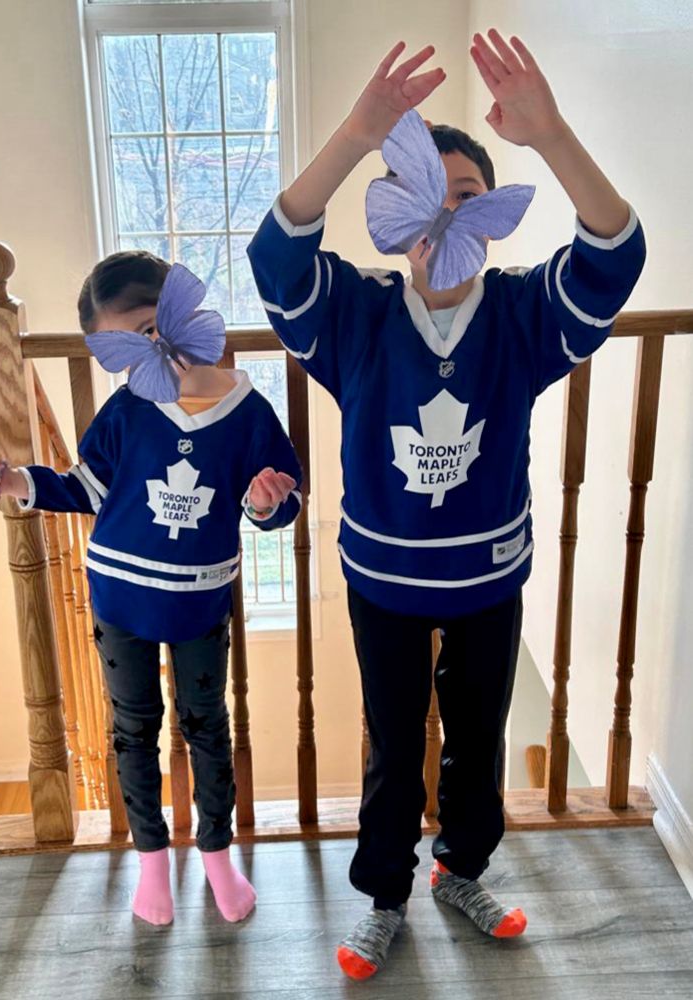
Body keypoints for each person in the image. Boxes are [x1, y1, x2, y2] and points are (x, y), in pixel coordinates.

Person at [247, 29, 645, 978]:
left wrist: (550, 136)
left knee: (476, 736)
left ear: (495, 214)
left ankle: (460, 870)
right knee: (394, 743)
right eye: (423, 195)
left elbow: (611, 259)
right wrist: (355, 135)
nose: (443, 216)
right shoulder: (356, 314)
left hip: (488, 578)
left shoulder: (520, 313)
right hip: (380, 578)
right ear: (392, 210)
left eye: (464, 196)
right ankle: (383, 894)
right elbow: (275, 262)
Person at [0, 250, 302, 927]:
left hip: (201, 598)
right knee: (134, 732)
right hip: (119, 595)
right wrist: (11, 480)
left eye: (152, 325)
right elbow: (87, 487)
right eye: (126, 342)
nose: (151, 348)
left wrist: (265, 504)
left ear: (180, 311)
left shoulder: (248, 408)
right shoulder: (124, 412)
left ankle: (216, 856)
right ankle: (150, 862)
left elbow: (279, 501)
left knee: (208, 728)